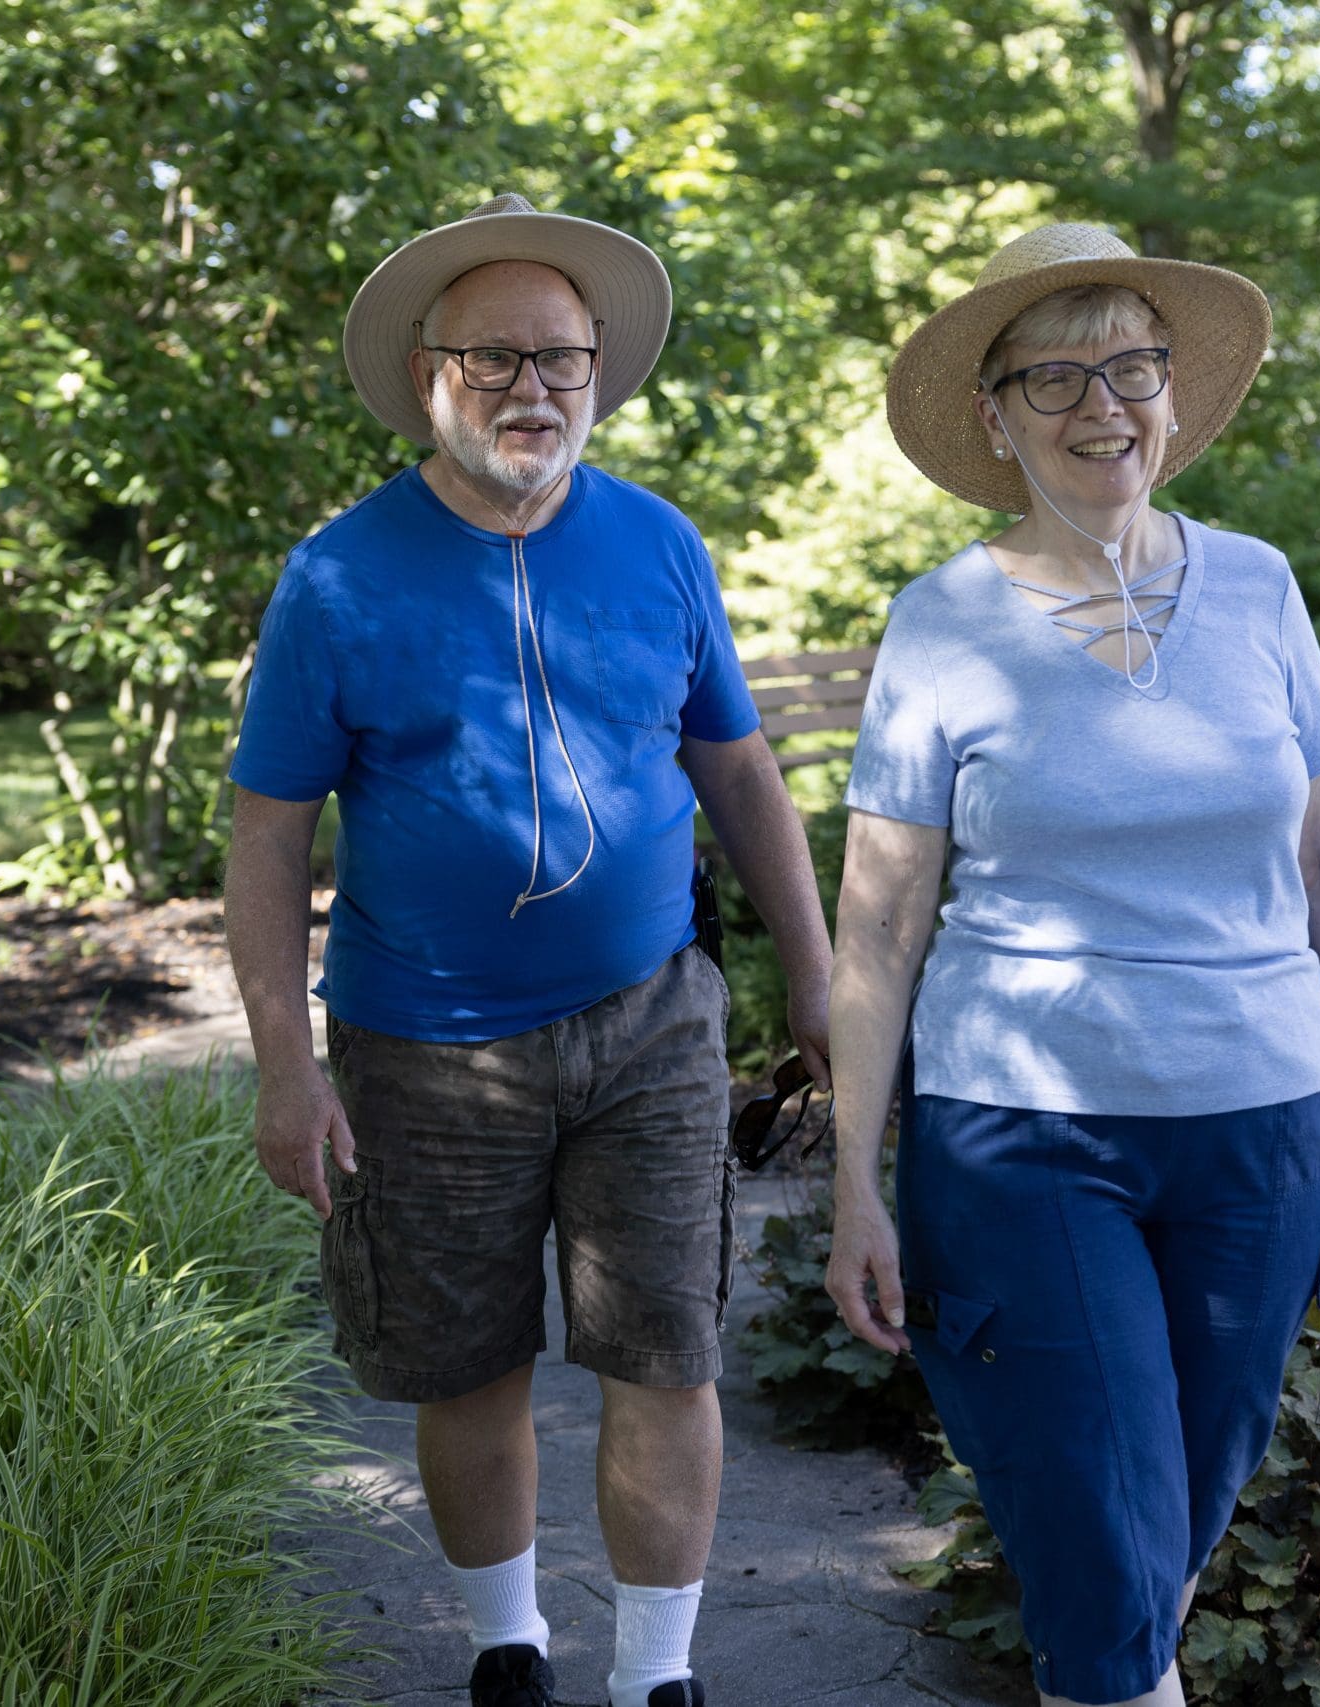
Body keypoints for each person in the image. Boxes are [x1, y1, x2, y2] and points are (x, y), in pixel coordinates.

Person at [823, 222, 1320, 1707]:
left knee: (1171, 1527)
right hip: (1025, 1138)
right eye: (1055, 377)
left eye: (1133, 365)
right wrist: (855, 1172)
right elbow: (882, 922)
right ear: (993, 416)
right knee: (1103, 1547)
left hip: (1262, 1133)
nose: (1103, 405)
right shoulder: (941, 621)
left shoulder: (1258, 588)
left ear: (1175, 389)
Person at [225, 194, 831, 1707]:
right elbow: (269, 833)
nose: (532, 390)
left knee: (666, 1357)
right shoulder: (340, 576)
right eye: (492, 359)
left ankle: (656, 1677)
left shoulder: (657, 541)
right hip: (423, 1042)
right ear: (427, 374)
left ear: (599, 376)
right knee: (466, 1366)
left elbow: (741, 773)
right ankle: (509, 1646)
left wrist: (822, 984)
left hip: (651, 1025)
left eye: (562, 360)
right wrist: (285, 1068)